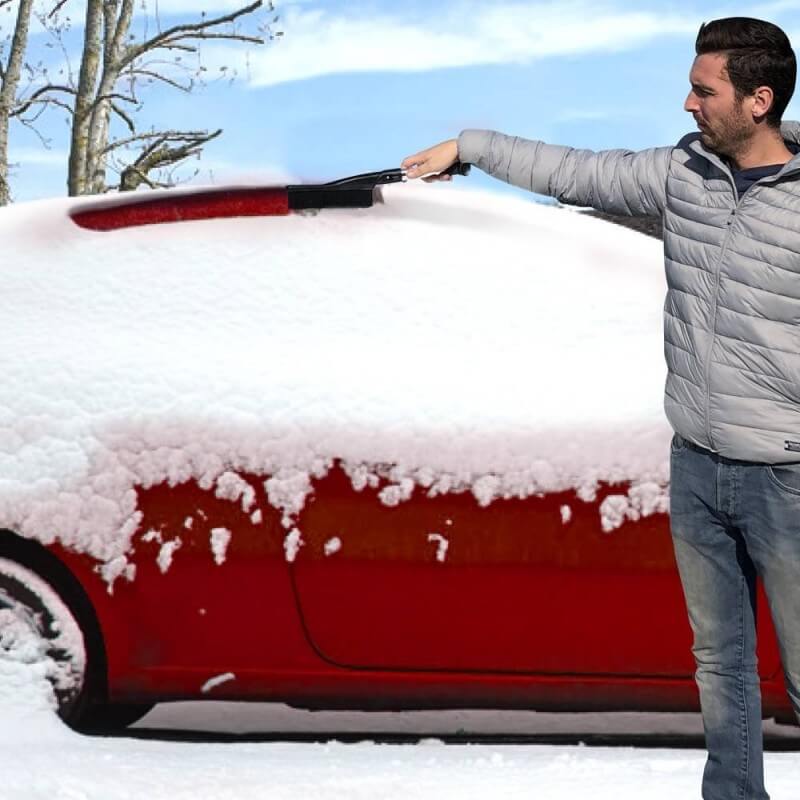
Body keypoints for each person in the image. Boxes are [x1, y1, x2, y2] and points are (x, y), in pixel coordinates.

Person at [402, 16, 800, 800]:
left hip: (787, 478)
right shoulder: (680, 175)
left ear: (760, 101)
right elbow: (575, 170)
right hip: (697, 468)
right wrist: (472, 147)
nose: (687, 105)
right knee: (721, 666)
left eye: (702, 89)